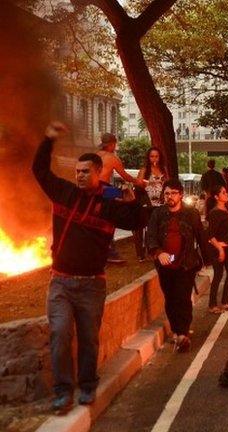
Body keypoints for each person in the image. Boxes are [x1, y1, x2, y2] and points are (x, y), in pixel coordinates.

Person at [32, 122, 141, 413]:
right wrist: (49, 138)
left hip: (93, 284)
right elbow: (40, 171)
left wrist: (132, 202)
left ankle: (88, 384)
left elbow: (136, 221)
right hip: (61, 283)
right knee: (60, 333)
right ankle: (63, 390)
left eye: (85, 172)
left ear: (97, 173)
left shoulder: (110, 203)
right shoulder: (64, 193)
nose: (79, 176)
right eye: (77, 172)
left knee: (90, 338)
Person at [145, 178, 208, 353]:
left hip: (186, 263)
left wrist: (208, 258)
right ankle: (176, 330)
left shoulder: (191, 213)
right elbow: (150, 236)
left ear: (180, 195)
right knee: (171, 299)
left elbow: (200, 236)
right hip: (165, 266)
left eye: (173, 193)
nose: (170, 196)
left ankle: (182, 334)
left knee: (183, 297)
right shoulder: (158, 214)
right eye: (166, 193)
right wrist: (158, 252)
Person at [97, 133, 143, 264]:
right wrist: (138, 182)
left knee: (101, 219)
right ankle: (110, 251)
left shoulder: (94, 155)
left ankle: (106, 250)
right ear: (112, 144)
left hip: (92, 190)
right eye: (115, 144)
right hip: (104, 190)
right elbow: (125, 176)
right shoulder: (112, 158)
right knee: (112, 216)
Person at [205, 186, 228, 314]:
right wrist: (220, 250)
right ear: (216, 197)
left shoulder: (227, 208)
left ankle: (225, 302)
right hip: (217, 248)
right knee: (218, 275)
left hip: (227, 247)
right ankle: (212, 305)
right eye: (223, 192)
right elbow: (210, 235)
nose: (226, 194)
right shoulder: (214, 213)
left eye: (226, 192)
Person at [132, 147, 167, 261]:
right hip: (147, 202)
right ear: (148, 157)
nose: (154, 158)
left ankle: (156, 250)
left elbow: (168, 184)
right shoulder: (144, 170)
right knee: (145, 227)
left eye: (156, 156)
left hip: (161, 202)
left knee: (159, 227)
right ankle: (142, 252)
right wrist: (148, 182)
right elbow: (138, 185)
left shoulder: (164, 169)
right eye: (152, 156)